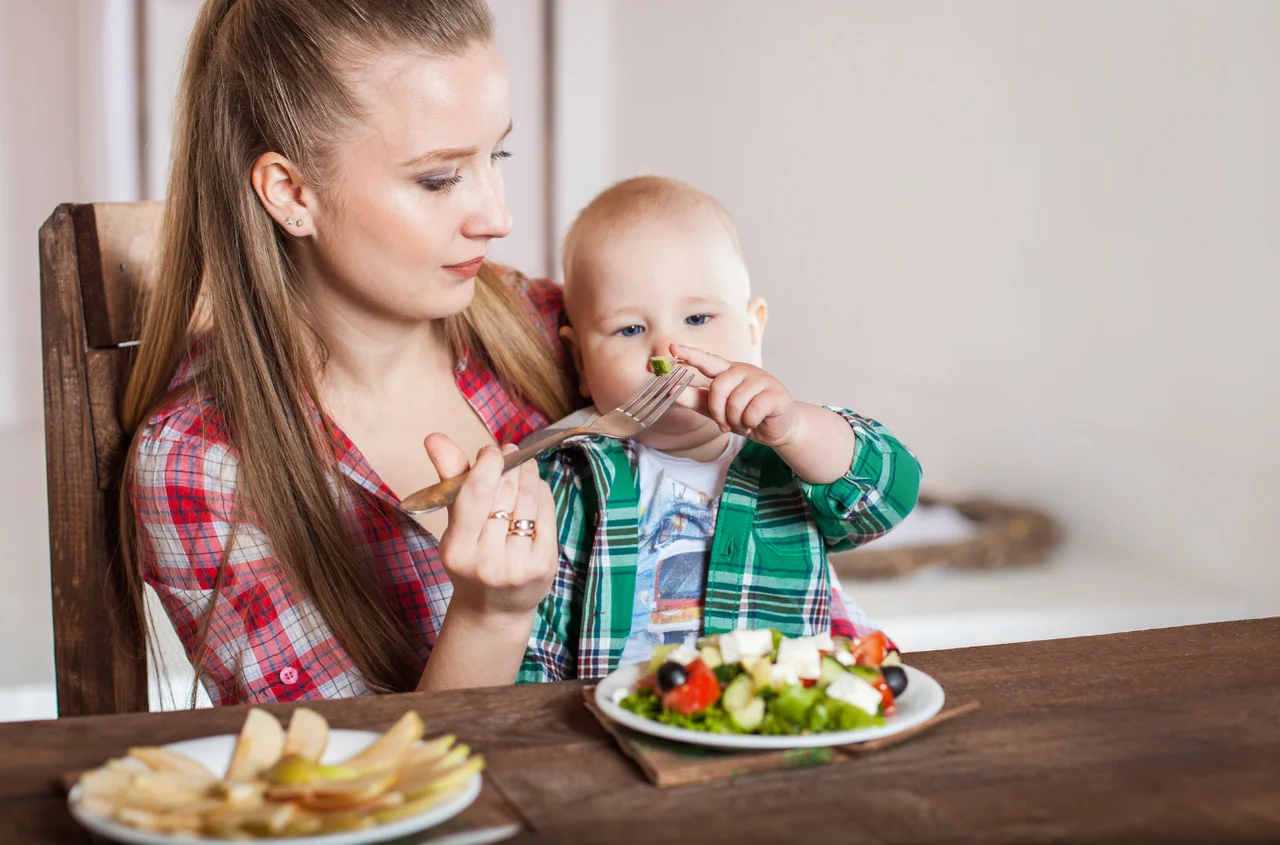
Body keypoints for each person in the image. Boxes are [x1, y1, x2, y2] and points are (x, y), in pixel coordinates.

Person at [121, 0, 573, 706]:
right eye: (438, 178)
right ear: (293, 192)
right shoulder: (201, 462)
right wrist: (490, 616)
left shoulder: (541, 327)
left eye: (497, 155)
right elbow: (347, 785)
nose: (498, 217)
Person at [520, 176, 921, 681]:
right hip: (621, 721)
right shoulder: (567, 473)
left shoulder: (787, 449)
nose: (667, 351)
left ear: (753, 333)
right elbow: (538, 634)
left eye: (697, 318)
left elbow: (889, 498)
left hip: (780, 719)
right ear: (580, 361)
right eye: (630, 329)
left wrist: (796, 430)